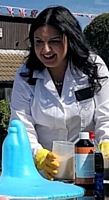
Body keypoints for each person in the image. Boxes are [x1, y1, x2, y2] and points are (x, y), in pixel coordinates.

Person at [10, 5, 109, 180]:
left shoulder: (94, 67)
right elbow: (21, 125)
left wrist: (106, 143)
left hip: (88, 171)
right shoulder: (25, 75)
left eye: (54, 41)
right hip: (42, 175)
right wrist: (39, 155)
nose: (45, 50)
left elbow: (105, 116)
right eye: (38, 42)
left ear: (70, 39)